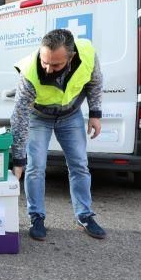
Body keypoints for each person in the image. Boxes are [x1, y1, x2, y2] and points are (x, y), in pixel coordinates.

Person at [10, 29, 107, 241]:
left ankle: (85, 215)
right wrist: (18, 159)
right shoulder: (29, 72)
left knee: (79, 164)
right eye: (45, 62)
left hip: (70, 115)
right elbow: (19, 117)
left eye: (55, 65)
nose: (47, 68)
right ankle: (36, 217)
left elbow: (95, 82)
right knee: (35, 167)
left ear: (70, 57)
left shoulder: (87, 54)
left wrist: (95, 114)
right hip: (39, 117)